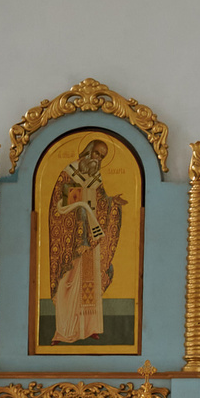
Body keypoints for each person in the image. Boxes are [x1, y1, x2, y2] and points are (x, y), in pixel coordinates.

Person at [45, 137, 125, 345]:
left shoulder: (95, 179)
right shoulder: (69, 173)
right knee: (68, 282)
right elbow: (59, 208)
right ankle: (63, 331)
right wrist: (84, 208)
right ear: (88, 151)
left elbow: (101, 202)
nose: (98, 159)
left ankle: (89, 328)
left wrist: (112, 203)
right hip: (71, 239)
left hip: (91, 238)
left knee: (89, 281)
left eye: (102, 156)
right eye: (97, 153)